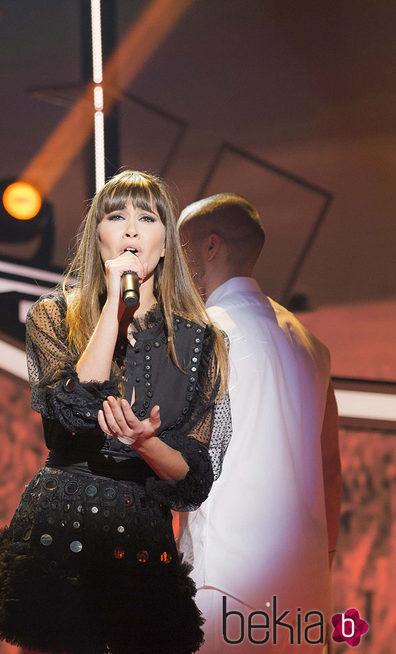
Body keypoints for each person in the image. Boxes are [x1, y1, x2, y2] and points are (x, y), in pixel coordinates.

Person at [0, 170, 228, 654]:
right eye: (117, 217)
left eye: (146, 218)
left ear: (165, 241)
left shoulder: (200, 344)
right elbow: (71, 409)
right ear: (98, 235)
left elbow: (193, 478)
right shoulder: (54, 316)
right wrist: (112, 308)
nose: (131, 230)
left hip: (141, 541)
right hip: (60, 534)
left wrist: (146, 443)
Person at [178, 194, 340, 652]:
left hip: (222, 586)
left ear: (211, 247)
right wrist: (317, 567)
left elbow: (184, 462)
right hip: (304, 597)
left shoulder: (201, 335)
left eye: (182, 247)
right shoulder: (312, 345)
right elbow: (331, 468)